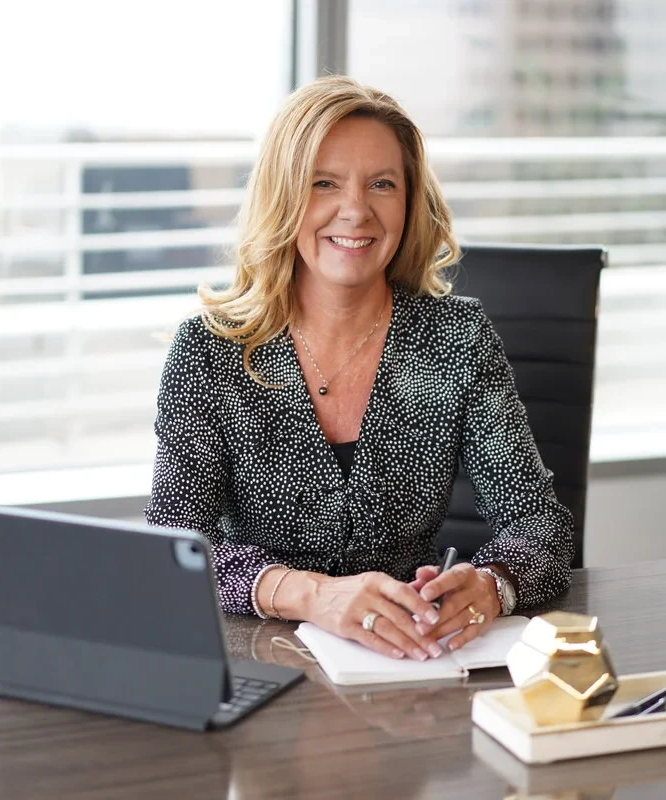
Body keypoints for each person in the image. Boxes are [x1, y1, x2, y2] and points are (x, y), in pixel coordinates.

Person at [146, 75, 574, 662]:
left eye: (382, 184)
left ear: (408, 201)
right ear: (284, 196)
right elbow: (172, 545)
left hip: (414, 663)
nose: (356, 210)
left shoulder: (456, 339)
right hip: (261, 664)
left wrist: (491, 586)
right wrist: (310, 594)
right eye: (325, 183)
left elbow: (539, 525)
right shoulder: (210, 349)